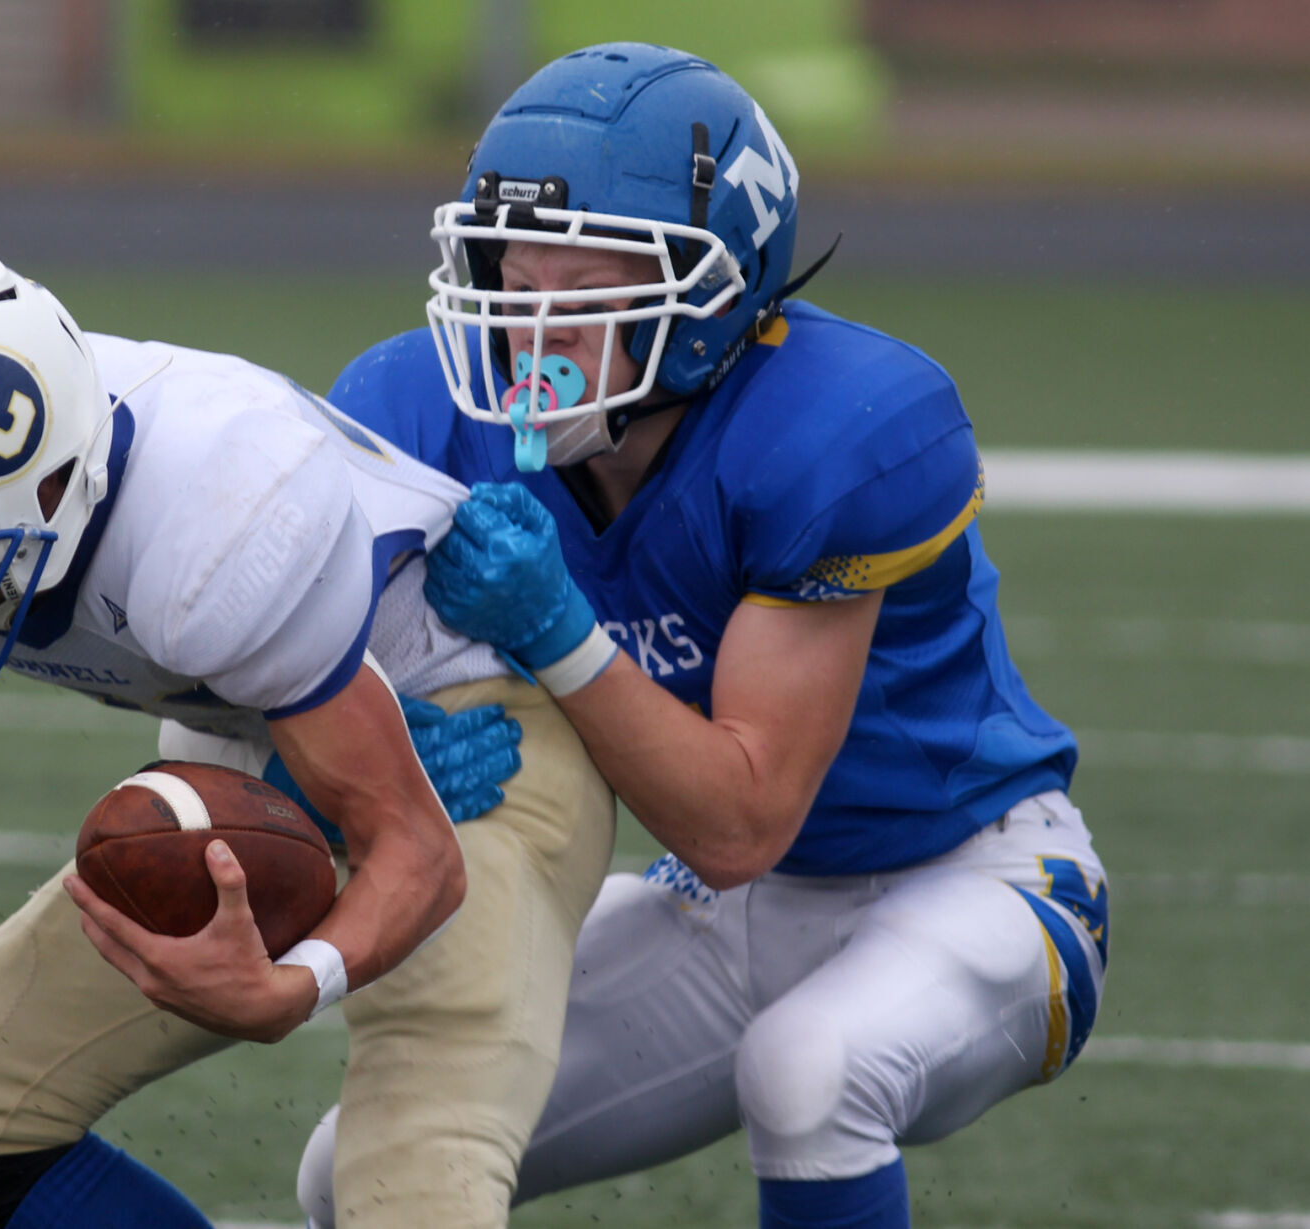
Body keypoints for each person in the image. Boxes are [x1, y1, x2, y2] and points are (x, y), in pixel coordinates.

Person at [295, 42, 1109, 1229]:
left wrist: (553, 629)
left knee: (809, 1076)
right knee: (363, 1170)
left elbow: (740, 818)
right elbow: (282, 654)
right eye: (507, 276)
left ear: (717, 297)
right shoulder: (413, 405)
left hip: (968, 876)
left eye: (589, 287)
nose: (528, 327)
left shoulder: (836, 425)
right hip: (727, 911)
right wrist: (357, 735)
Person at [0, 243, 614, 1229]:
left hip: (468, 755)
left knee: (409, 1198)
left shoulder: (213, 524)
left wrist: (292, 985)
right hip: (260, 730)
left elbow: (416, 852)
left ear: (42, 502)